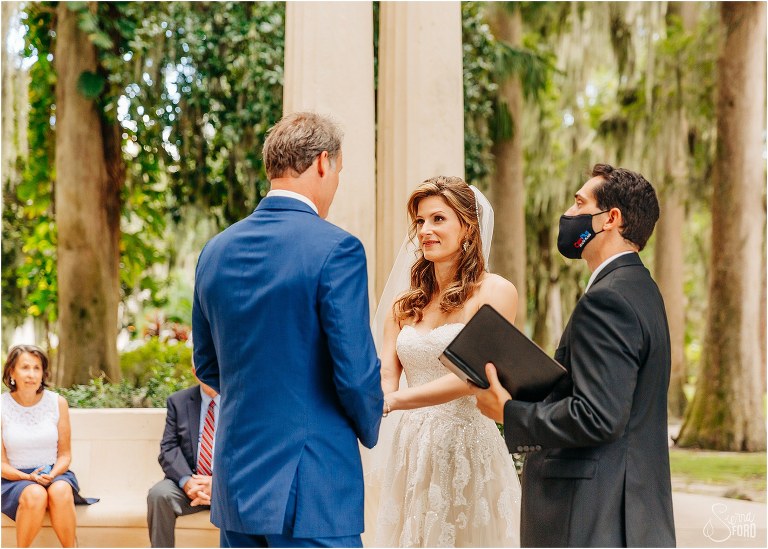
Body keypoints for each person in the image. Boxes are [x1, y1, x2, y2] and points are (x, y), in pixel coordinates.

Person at [192, 111, 383, 548]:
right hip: (313, 480)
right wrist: (370, 424)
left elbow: (206, 364)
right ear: (322, 162)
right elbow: (355, 373)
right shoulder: (338, 249)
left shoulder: (214, 251)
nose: (336, 183)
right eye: (338, 171)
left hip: (237, 480)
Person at [471, 163, 676, 547]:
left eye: (579, 203)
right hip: (630, 514)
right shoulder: (642, 289)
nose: (568, 213)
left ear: (610, 219)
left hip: (593, 518)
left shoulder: (608, 299)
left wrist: (509, 413)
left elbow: (598, 416)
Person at [367, 176, 521, 547]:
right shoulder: (404, 304)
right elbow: (388, 370)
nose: (425, 231)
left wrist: (394, 401)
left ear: (468, 227)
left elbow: (474, 376)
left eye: (438, 219)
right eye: (420, 222)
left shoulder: (496, 291)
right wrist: (383, 397)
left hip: (466, 444)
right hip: (408, 447)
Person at [1, 344, 97, 548]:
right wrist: (28, 478)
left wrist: (51, 475)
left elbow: (64, 455)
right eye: (25, 367)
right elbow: (1, 464)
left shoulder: (57, 402)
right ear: (11, 371)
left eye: (37, 368)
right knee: (35, 493)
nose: (32, 374)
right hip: (13, 478)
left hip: (54, 472)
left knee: (60, 490)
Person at [146, 371, 220, 547]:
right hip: (189, 484)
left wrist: (217, 484)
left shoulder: (238, 401)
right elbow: (168, 449)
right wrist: (187, 482)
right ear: (196, 372)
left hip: (227, 486)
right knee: (159, 495)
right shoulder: (178, 401)